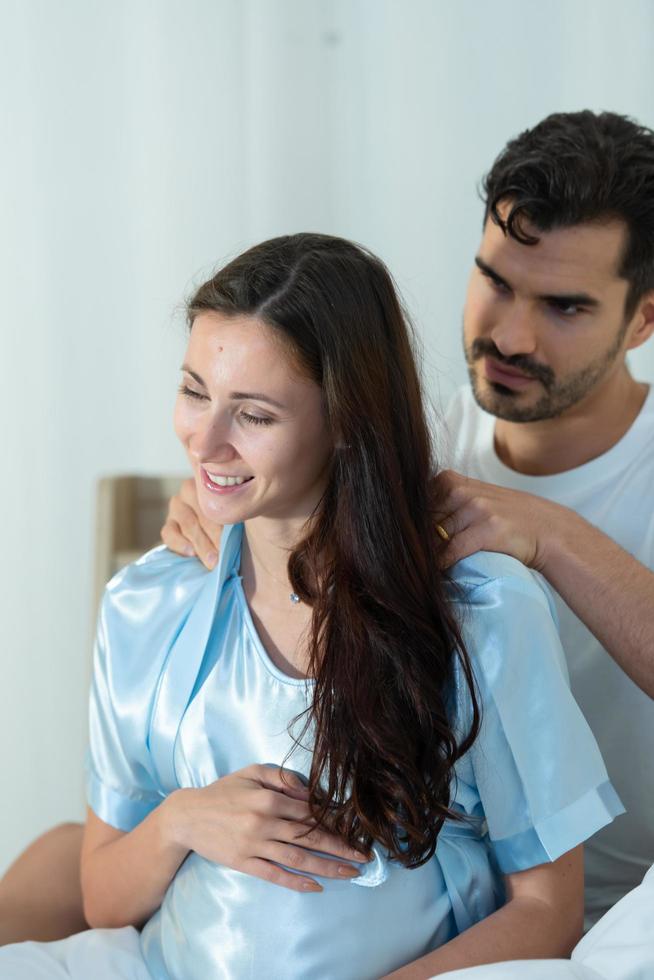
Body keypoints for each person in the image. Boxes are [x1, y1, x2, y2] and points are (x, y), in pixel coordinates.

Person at [0, 234, 620, 979]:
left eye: (254, 416)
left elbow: (549, 910)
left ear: (345, 422)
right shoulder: (145, 606)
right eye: (195, 390)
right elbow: (103, 897)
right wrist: (180, 820)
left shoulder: (484, 614)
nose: (205, 441)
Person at [162, 110, 654, 932]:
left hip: (622, 907)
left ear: (644, 318)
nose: (510, 332)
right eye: (496, 281)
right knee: (60, 861)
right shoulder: (413, 444)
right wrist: (217, 501)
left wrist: (553, 535)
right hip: (438, 904)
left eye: (566, 307)